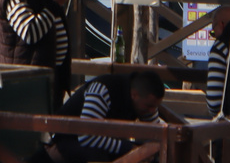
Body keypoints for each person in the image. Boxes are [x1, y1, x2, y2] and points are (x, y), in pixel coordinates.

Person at [28, 69, 166, 163]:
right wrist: (130, 149)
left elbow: (154, 132)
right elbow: (87, 136)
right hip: (65, 140)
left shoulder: (145, 101)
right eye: (148, 106)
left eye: (155, 107)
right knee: (100, 156)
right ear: (134, 95)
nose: (152, 110)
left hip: (95, 141)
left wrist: (148, 149)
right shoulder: (102, 90)